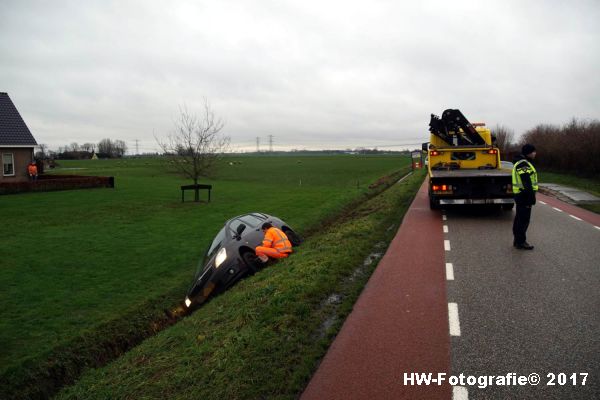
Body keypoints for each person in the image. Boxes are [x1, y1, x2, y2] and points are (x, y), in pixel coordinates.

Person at [512, 144, 538, 250]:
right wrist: (531, 197)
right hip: (524, 196)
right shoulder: (523, 164)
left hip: (521, 195)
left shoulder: (522, 162)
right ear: (528, 153)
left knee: (519, 219)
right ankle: (521, 242)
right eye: (533, 151)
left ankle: (517, 240)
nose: (535, 153)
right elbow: (526, 182)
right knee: (523, 220)